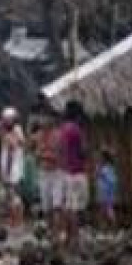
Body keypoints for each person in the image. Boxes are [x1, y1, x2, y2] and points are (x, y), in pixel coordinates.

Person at [59, 100, 89, 253]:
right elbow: (83, 151)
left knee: (68, 206)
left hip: (65, 171)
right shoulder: (76, 130)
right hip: (76, 172)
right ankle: (75, 240)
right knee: (75, 208)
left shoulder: (63, 129)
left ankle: (68, 238)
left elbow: (61, 150)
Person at [32, 109, 64, 243]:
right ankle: (51, 233)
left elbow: (59, 156)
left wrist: (44, 155)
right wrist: (43, 155)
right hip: (44, 173)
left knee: (57, 206)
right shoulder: (38, 136)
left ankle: (57, 233)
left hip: (56, 173)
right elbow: (35, 154)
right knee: (47, 207)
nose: (43, 122)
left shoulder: (58, 136)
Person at [0, 106, 26, 229]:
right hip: (15, 168)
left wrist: (6, 172)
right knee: (14, 196)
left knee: (13, 196)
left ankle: (16, 221)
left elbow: (10, 153)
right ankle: (16, 221)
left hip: (12, 170)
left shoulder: (11, 133)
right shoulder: (18, 132)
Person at [96, 148, 118, 232]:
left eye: (100, 157)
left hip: (105, 191)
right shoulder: (110, 167)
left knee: (106, 210)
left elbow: (100, 175)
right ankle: (106, 228)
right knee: (107, 210)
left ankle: (108, 228)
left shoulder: (106, 168)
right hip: (107, 191)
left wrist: (99, 170)